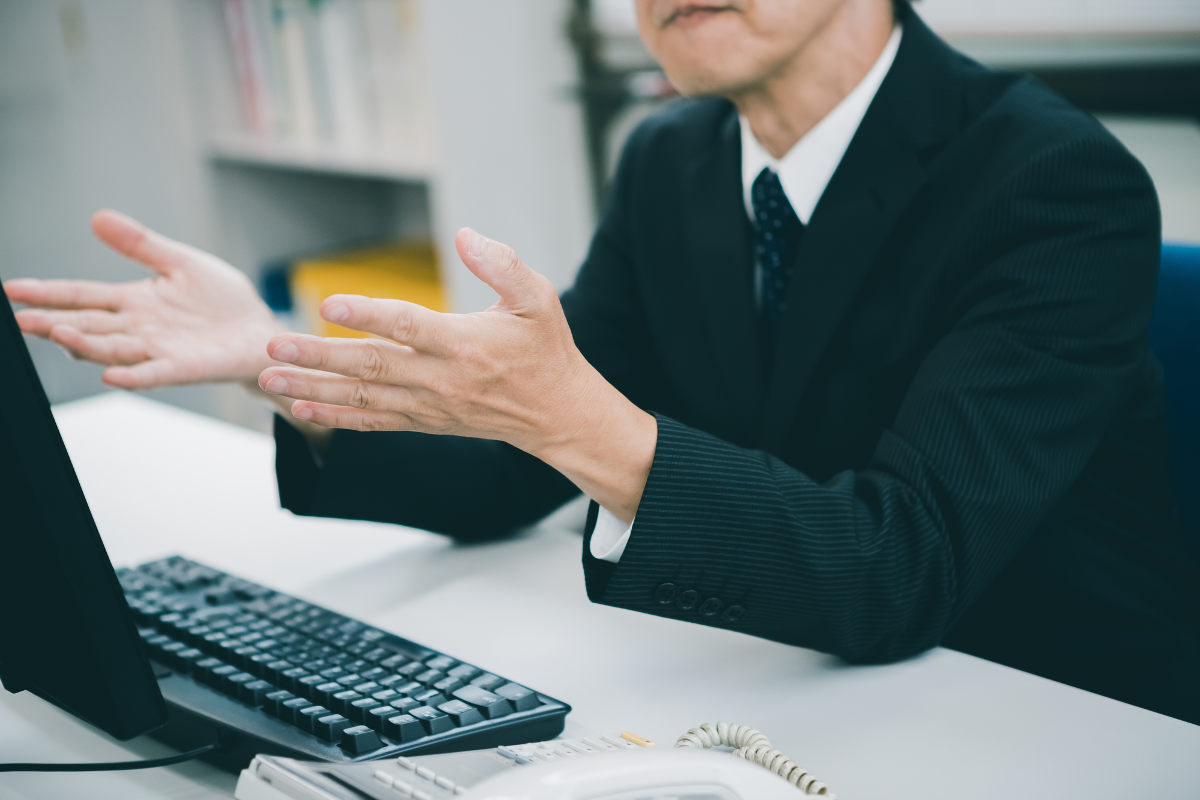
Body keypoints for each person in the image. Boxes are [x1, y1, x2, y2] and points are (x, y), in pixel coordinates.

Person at [6, 0, 1199, 724]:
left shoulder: (1055, 185)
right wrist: (284, 362)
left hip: (1043, 712)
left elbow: (902, 564)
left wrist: (581, 421)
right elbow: (506, 470)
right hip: (782, 687)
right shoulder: (674, 156)